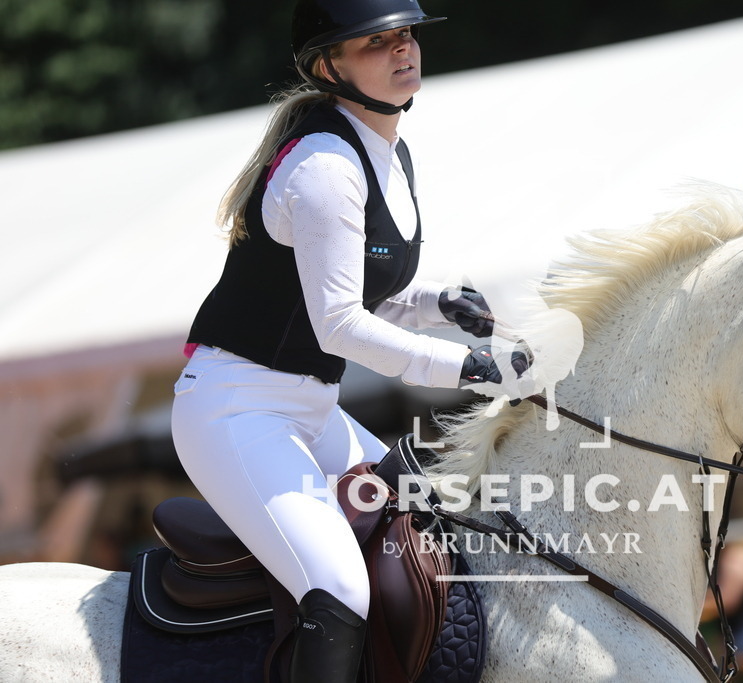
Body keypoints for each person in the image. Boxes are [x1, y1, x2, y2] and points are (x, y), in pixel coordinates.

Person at [170, 1, 531, 680]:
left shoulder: (387, 154)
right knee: (338, 586)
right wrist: (469, 365)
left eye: (406, 36)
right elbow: (340, 324)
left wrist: (440, 303)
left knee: (429, 517)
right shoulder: (324, 167)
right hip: (236, 411)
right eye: (376, 42)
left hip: (308, 410)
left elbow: (360, 292)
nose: (403, 51)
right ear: (329, 64)